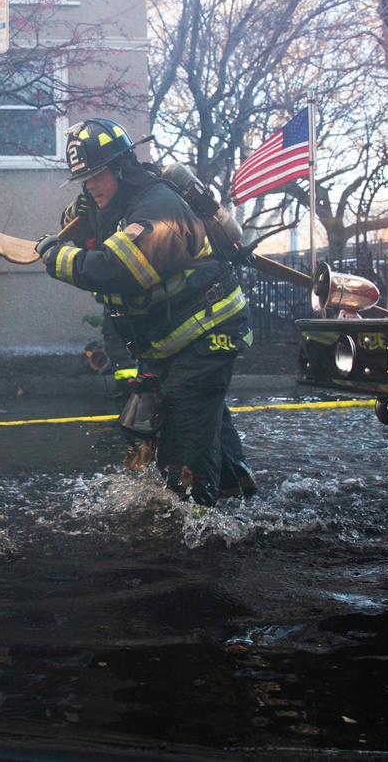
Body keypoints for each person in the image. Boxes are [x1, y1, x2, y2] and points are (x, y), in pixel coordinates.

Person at [37, 117, 256, 506]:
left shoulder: (160, 208)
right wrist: (83, 217)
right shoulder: (117, 203)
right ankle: (236, 492)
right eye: (84, 179)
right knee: (200, 418)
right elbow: (88, 227)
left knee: (182, 429)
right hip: (174, 340)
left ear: (122, 167)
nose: (90, 186)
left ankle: (197, 523)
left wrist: (59, 258)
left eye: (97, 175)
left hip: (208, 334)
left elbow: (118, 269)